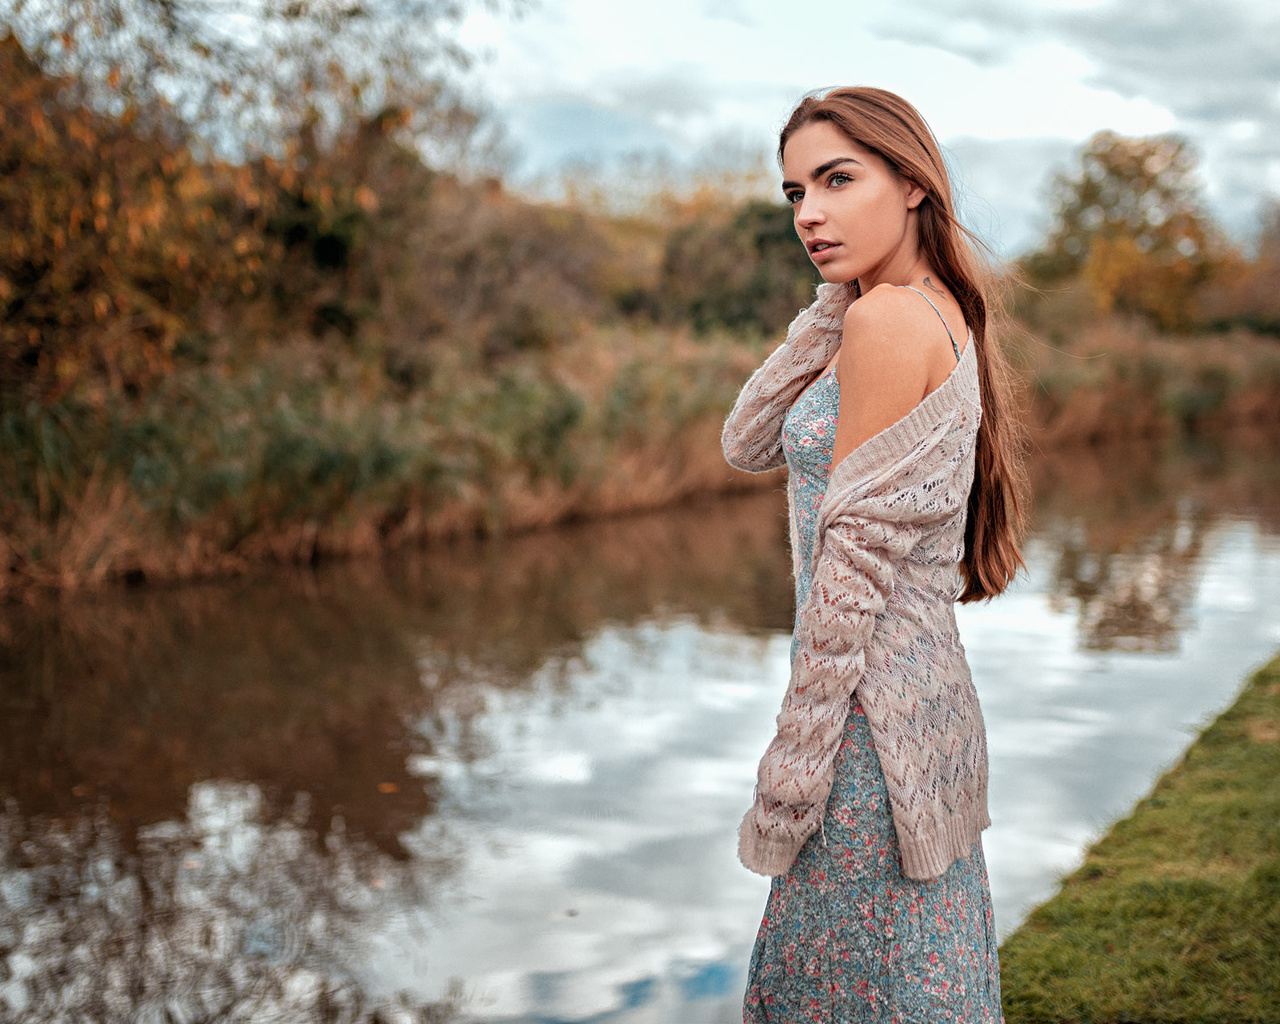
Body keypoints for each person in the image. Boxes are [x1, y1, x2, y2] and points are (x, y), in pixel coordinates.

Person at [721, 86, 1027, 1022]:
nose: (810, 213)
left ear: (912, 184)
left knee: (850, 996)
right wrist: (836, 298)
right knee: (908, 983)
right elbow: (748, 438)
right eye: (794, 194)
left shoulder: (889, 323)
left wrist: (791, 774)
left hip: (863, 737)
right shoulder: (910, 310)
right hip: (920, 714)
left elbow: (846, 583)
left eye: (838, 179)